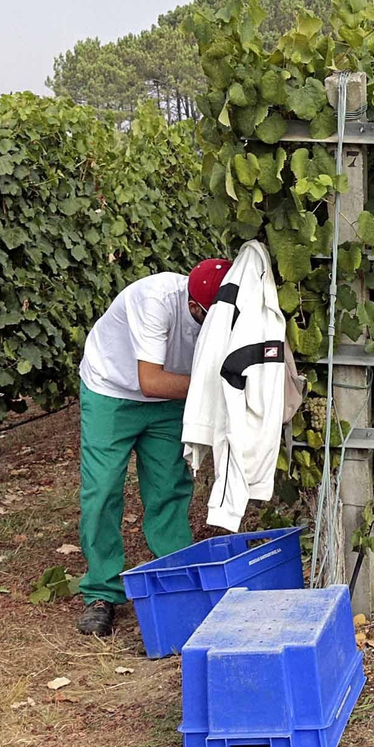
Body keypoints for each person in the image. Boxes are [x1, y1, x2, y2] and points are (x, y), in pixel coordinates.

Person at [75, 260, 232, 636]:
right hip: (112, 389)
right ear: (195, 307)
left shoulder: (224, 309)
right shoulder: (156, 300)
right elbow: (151, 381)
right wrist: (215, 387)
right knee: (102, 490)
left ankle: (175, 580)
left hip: (169, 398)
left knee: (169, 488)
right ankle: (102, 592)